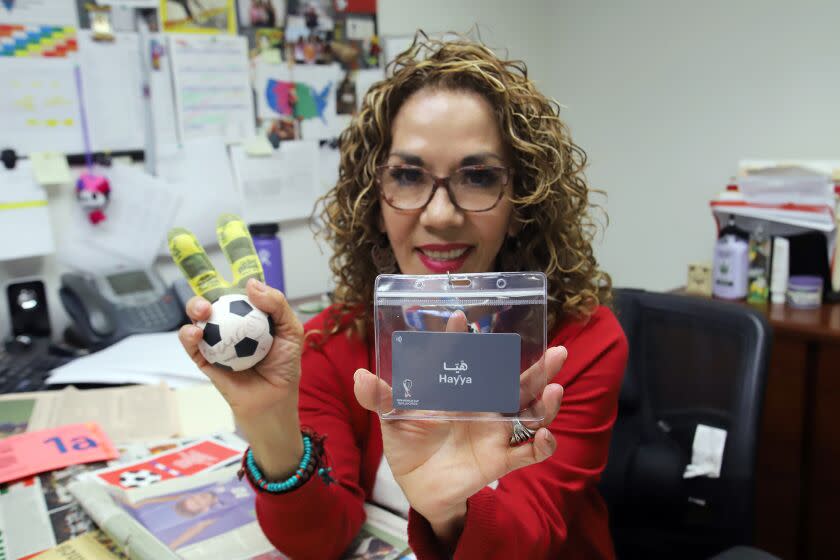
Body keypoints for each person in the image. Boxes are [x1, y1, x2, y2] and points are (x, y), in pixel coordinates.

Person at [174, 34, 628, 559]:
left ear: (523, 199)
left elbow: (535, 532)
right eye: (409, 176)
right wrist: (271, 424)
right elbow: (320, 537)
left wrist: (448, 507)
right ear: (374, 197)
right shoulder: (331, 341)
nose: (440, 215)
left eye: (478, 176)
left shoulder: (579, 342)